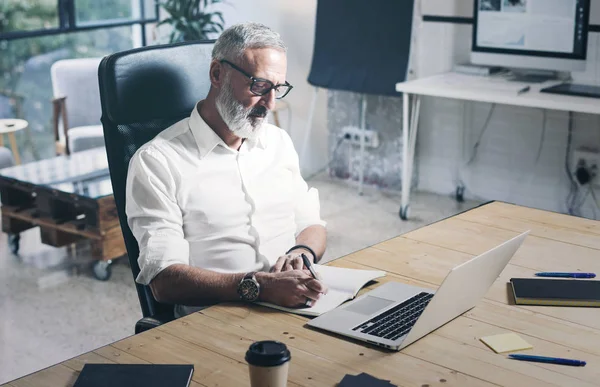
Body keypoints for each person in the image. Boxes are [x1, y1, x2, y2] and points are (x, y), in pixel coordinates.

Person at [126, 22, 328, 317]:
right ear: (217, 74)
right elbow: (164, 280)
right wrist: (260, 286)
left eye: (278, 88)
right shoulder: (157, 161)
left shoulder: (278, 142)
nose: (269, 103)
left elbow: (312, 224)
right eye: (259, 86)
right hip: (218, 318)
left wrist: (302, 253)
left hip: (295, 305)